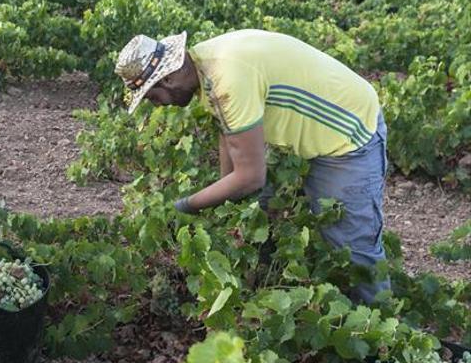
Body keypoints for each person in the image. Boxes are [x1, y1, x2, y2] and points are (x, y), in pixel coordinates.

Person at [114, 29, 390, 303]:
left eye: (153, 97)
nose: (159, 106)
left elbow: (250, 178)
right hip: (308, 134)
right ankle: (268, 295)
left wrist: (186, 206)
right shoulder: (205, 63)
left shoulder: (227, 79)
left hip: (348, 134)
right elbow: (228, 131)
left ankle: (382, 334)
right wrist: (225, 193)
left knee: (352, 246)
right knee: (266, 216)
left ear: (169, 78)